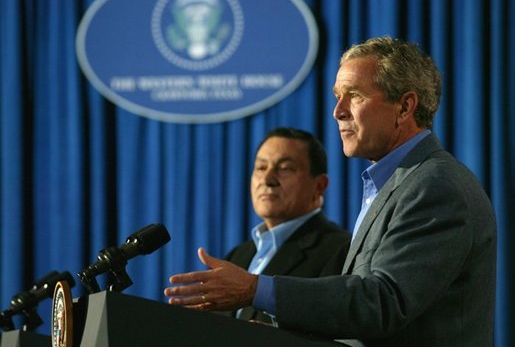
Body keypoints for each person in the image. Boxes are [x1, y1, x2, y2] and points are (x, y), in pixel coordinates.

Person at [164, 37, 497, 347]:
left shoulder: (435, 185)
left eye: (354, 96)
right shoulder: (398, 183)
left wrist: (255, 289)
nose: (337, 111)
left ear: (405, 106)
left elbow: (381, 304)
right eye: (337, 96)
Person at [223, 127, 351, 324]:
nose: (267, 180)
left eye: (284, 168)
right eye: (261, 168)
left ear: (319, 186)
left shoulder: (342, 251)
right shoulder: (236, 256)